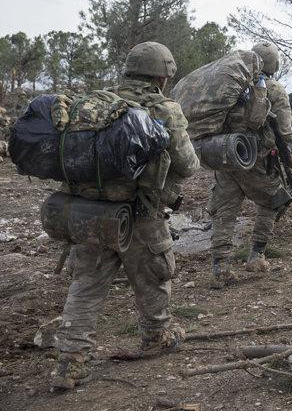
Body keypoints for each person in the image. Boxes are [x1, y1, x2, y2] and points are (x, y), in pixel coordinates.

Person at [51, 42, 200, 389]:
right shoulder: (164, 109)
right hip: (139, 213)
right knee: (153, 276)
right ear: (162, 76)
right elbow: (189, 165)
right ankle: (156, 336)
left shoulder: (92, 104)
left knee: (86, 285)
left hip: (89, 214)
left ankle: (69, 365)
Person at [208, 43, 292, 286]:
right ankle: (256, 256)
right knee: (272, 201)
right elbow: (286, 133)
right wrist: (290, 163)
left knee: (225, 209)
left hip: (226, 153)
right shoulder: (276, 90)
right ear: (274, 65)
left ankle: (219, 267)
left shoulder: (232, 84)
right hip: (259, 159)